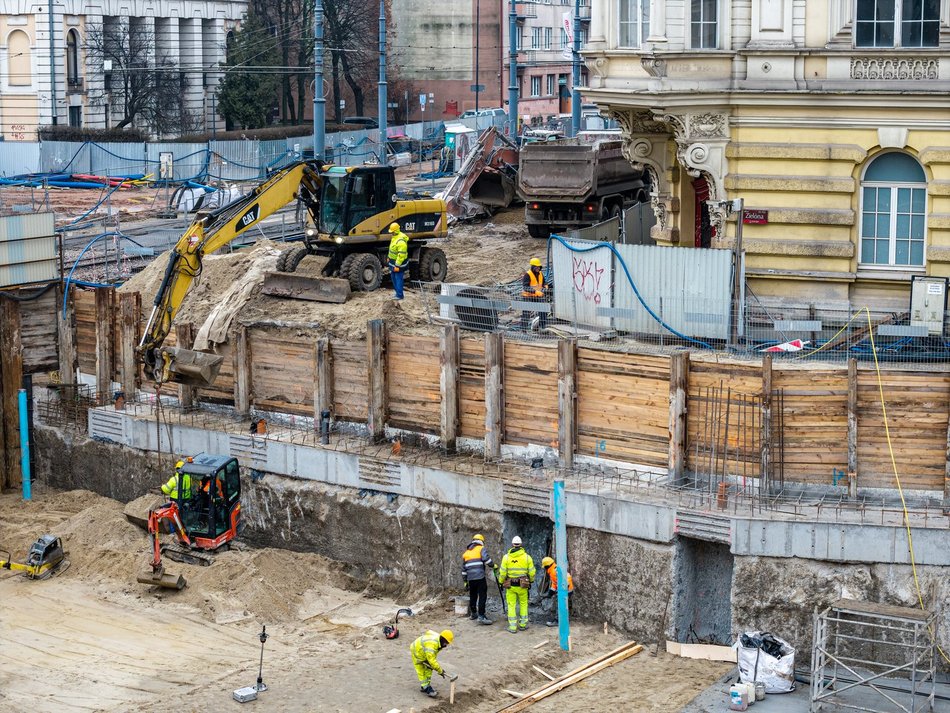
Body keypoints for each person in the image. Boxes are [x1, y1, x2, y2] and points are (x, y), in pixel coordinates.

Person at [498, 535, 536, 633]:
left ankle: (512, 627)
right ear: (521, 544)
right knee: (523, 604)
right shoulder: (527, 557)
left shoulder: (506, 557)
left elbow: (502, 573)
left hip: (510, 586)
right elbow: (532, 572)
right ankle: (523, 625)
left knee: (511, 605)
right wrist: (531, 581)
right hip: (523, 585)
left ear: (512, 544)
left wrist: (501, 582)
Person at [409, 629, 456, 698]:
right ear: (443, 639)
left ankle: (425, 686)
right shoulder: (432, 645)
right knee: (421, 670)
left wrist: (434, 667)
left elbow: (432, 659)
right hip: (417, 651)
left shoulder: (438, 641)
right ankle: (427, 688)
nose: (446, 645)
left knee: (429, 668)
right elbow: (432, 661)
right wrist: (440, 671)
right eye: (446, 643)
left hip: (424, 650)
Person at [461, 533, 494, 625]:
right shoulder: (481, 549)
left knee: (473, 595)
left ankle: (473, 613)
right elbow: (486, 559)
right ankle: (481, 616)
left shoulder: (466, 553)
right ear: (481, 541)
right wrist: (493, 565)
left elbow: (463, 570)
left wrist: (465, 581)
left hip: (471, 578)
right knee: (482, 595)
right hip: (480, 577)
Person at [540, 556, 574, 627]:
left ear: (547, 566)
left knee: (560, 605)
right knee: (562, 605)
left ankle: (558, 621)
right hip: (565, 590)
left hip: (566, 591)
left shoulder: (555, 570)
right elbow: (555, 583)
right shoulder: (553, 570)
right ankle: (562, 619)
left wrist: (563, 588)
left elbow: (567, 577)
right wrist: (550, 593)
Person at [520, 258, 549, 331]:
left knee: (543, 309)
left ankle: (542, 327)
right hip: (528, 296)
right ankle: (523, 330)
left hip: (538, 296)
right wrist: (535, 292)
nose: (538, 268)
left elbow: (544, 282)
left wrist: (545, 286)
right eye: (536, 267)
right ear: (533, 267)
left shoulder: (541, 274)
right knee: (526, 313)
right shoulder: (528, 275)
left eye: (539, 267)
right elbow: (526, 287)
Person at [387, 222, 409, 301]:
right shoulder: (395, 237)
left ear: (395, 231)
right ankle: (397, 293)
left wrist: (397, 265)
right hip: (393, 262)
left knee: (398, 278)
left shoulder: (400, 241)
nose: (391, 233)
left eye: (392, 232)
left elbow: (401, 255)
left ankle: (400, 295)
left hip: (399, 264)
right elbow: (392, 249)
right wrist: (389, 257)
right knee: (393, 277)